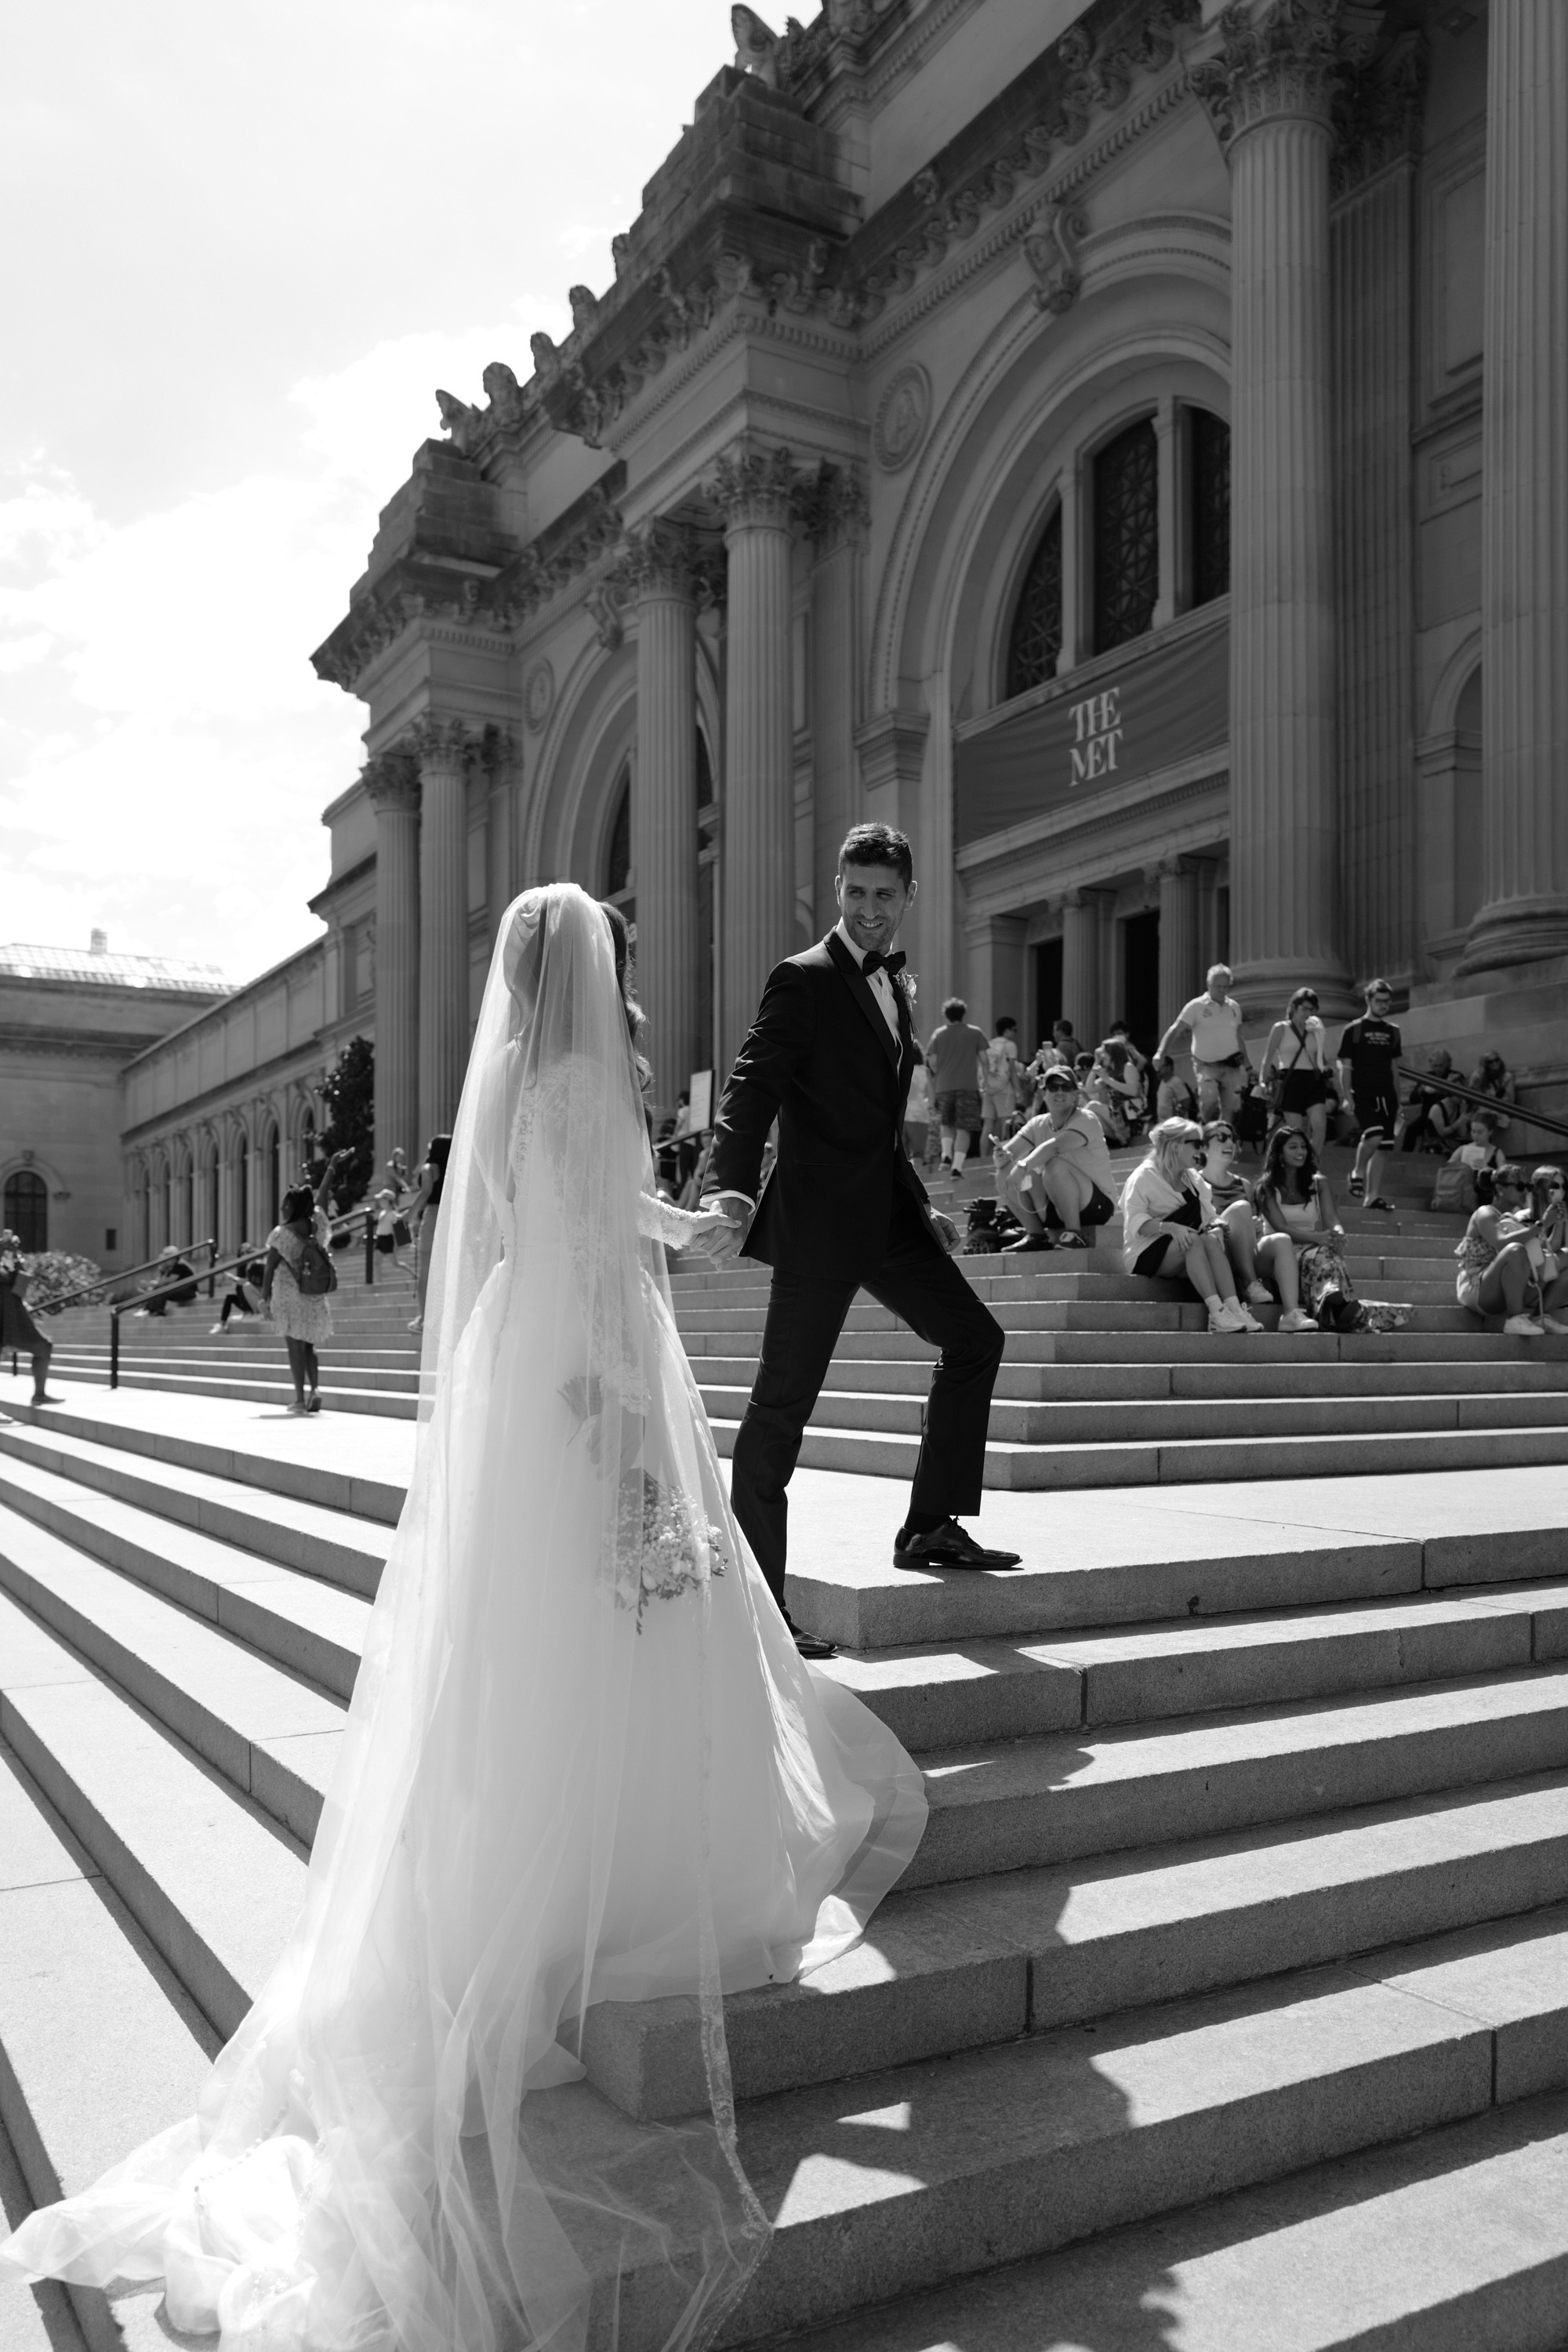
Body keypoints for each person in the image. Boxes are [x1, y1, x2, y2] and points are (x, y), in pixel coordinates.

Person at [0, 882, 927, 2352]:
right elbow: (584, 1257)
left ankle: (551, 1884)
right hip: (590, 1378)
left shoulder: (541, 1087)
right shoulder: (579, 1083)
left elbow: (590, 1227)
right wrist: (625, 1421)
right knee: (614, 1619)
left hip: (557, 1368)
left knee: (545, 1654)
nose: (627, 967)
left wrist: (694, 1219)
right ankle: (611, 1891)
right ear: (582, 969)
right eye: (614, 954)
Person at [702, 821, 1021, 1599]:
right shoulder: (802, 977)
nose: (868, 909)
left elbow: (876, 1110)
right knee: (779, 1411)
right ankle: (759, 1608)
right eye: (854, 893)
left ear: (908, 895)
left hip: (885, 1216)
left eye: (883, 895)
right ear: (839, 890)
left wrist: (919, 1200)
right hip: (816, 1224)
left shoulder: (894, 984)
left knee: (975, 1341)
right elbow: (751, 1086)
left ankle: (927, 1526)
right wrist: (731, 1185)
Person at [1120, 1119, 1257, 1332]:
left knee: (1210, 1241)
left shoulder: (1193, 1179)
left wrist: (1217, 1225)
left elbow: (1209, 1216)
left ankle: (1234, 1308)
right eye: (1197, 1143)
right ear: (1175, 1145)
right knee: (1193, 1240)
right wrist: (1171, 1227)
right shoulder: (1145, 1176)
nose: (1202, 1148)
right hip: (1145, 1251)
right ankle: (1216, 1313)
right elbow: (1135, 1223)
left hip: (1184, 1247)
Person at [996, 1067, 1119, 1252]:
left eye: (1066, 1087)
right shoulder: (1038, 1123)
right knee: (1003, 1171)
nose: (1060, 1092)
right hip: (1056, 1201)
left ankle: (1074, 1233)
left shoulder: (1087, 1118)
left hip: (1096, 1205)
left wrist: (1022, 1166)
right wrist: (1000, 1157)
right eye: (1053, 1087)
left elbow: (1054, 1147)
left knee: (1055, 1163)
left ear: (1075, 1093)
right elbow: (1008, 1153)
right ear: (1044, 1093)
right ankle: (1036, 1236)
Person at [262, 1157, 343, 1415]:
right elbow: (320, 1198)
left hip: (289, 1293)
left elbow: (270, 1266)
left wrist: (264, 1298)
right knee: (309, 1344)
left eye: (285, 1203)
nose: (282, 1207)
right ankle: (315, 1390)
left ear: (292, 1206)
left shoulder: (281, 1233)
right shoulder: (316, 1225)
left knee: (294, 1344)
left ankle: (299, 1399)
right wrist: (331, 1167)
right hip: (314, 1292)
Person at [1454, 1162, 1568, 1337]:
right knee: (1515, 1250)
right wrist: (1543, 1224)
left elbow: (1546, 1253)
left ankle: (1540, 1316)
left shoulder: (1513, 1218)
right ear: (1500, 1189)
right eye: (1520, 1187)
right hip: (1478, 1289)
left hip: (1506, 1287)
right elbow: (1501, 1243)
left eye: (1528, 1187)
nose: (1526, 1192)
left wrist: (1558, 1224)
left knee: (1564, 1257)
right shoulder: (1485, 1213)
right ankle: (1516, 1318)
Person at [1252, 1125, 1348, 1331]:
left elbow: (1332, 1220)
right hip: (1275, 1251)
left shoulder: (1319, 1183)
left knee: (1325, 1252)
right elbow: (1281, 1227)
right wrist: (1320, 1238)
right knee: (1320, 1250)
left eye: (1304, 1146)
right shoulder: (1266, 1187)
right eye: (1293, 1147)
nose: (1301, 1152)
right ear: (1279, 1153)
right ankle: (1333, 1304)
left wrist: (1337, 1234)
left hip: (1311, 1246)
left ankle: (1331, 1301)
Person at [1156, 964, 1254, 1123]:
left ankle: (1223, 1138)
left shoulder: (1234, 1007)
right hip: (1206, 1065)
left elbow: (1239, 1037)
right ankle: (1204, 1133)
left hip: (1232, 1065)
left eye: (1225, 987)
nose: (1222, 990)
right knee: (1210, 1101)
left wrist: (1248, 1067)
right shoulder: (1196, 1006)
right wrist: (1161, 1053)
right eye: (1218, 986)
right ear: (1209, 985)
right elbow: (1175, 1030)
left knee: (1232, 1108)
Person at [1338, 978, 1402, 1212]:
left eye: (1387, 1001)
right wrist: (1347, 1096)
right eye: (1379, 1001)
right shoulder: (1353, 1030)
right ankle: (1358, 1171)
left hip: (1388, 1096)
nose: (1384, 1005)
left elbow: (1394, 1068)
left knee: (1383, 1147)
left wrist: (1399, 1100)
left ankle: (1372, 1196)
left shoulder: (1393, 1031)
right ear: (1369, 1000)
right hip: (1362, 1094)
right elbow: (1345, 1067)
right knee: (1373, 1136)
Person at [1260, 986, 1332, 1155]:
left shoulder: (1314, 1029)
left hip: (1313, 1079)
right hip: (1291, 1080)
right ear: (1294, 1007)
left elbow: (1320, 1057)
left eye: (1311, 1010)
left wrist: (1328, 1067)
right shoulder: (1280, 1028)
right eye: (1304, 1008)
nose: (1308, 1013)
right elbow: (1267, 1057)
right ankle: (1295, 1165)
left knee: (1320, 1126)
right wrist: (1262, 1083)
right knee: (1296, 1131)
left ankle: (1314, 1165)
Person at [924, 995, 990, 1177]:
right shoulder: (975, 1032)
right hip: (968, 1086)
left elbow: (933, 1062)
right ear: (963, 1014)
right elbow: (985, 1061)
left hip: (943, 1086)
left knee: (946, 1123)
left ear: (946, 1014)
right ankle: (957, 1167)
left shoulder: (938, 1034)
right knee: (964, 1128)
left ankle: (946, 1155)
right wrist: (985, 1081)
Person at [0, 1229, 61, 1403]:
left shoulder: (11, 1257)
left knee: (43, 1347)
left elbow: (19, 1279)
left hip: (13, 1310)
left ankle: (39, 1394)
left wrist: (11, 1254)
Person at [406, 1133, 451, 1335]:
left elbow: (425, 1192)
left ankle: (424, 1320)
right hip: (452, 1216)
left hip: (434, 1216)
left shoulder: (429, 1167)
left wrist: (409, 1214)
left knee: (426, 1273)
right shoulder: (454, 1166)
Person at [1400, 1047, 1463, 1153]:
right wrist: (1421, 1090)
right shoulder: (1427, 1077)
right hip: (1427, 1117)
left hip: (1448, 1115)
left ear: (1447, 1064)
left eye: (1441, 1066)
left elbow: (1460, 1097)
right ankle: (1404, 1158)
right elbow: (1413, 1099)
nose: (1438, 1069)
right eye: (1435, 1066)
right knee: (1411, 1129)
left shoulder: (1455, 1077)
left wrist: (1439, 1090)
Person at [979, 1015, 1021, 1151]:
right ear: (1008, 1030)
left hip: (988, 1088)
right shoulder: (1010, 1045)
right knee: (1006, 1123)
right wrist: (1018, 1090)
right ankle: (1004, 1154)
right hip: (1004, 1089)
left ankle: (983, 1156)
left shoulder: (989, 1044)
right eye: (1014, 1030)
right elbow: (1012, 1070)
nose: (1015, 1033)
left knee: (988, 1125)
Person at [1450, 1111, 1507, 1197]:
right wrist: (1460, 1168)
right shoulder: (1463, 1149)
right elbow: (1446, 1170)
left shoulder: (1497, 1153)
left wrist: (1487, 1169)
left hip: (1487, 1195)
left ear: (1490, 1132)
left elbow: (1504, 1178)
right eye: (1473, 1131)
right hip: (1463, 1195)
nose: (1476, 1135)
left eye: (1480, 1132)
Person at [209, 1256, 266, 1335]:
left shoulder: (262, 1282)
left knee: (246, 1286)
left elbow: (240, 1281)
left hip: (262, 1308)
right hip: (251, 1307)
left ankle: (255, 1312)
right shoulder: (251, 1283)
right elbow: (239, 1281)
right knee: (230, 1297)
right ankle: (222, 1323)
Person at [136, 1243, 198, 1318]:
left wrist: (158, 1283)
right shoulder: (170, 1267)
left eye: (168, 1257)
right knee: (158, 1289)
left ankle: (158, 1310)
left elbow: (170, 1280)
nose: (166, 1260)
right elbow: (163, 1281)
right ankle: (148, 1309)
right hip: (178, 1290)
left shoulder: (180, 1265)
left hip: (189, 1291)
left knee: (164, 1289)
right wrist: (162, 1272)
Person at [1468, 1049, 1518, 1139]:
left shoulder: (1507, 1077)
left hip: (1500, 1109)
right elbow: (1473, 1100)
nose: (1494, 1063)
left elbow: (1510, 1100)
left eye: (1496, 1060)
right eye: (1490, 1062)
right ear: (1484, 1064)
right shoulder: (1477, 1077)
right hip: (1483, 1110)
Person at [904, 1042, 933, 1163]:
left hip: (900, 1116)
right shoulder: (924, 1071)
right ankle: (917, 1180)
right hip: (919, 1116)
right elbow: (932, 1097)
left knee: (901, 1156)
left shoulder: (900, 1069)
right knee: (918, 1155)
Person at [1153, 1054, 1197, 1122]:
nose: (1158, 1069)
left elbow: (1186, 1100)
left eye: (1161, 1066)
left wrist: (1179, 1118)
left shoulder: (1176, 1082)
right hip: (1163, 1123)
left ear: (1169, 1067)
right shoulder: (1163, 1082)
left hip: (1173, 1124)